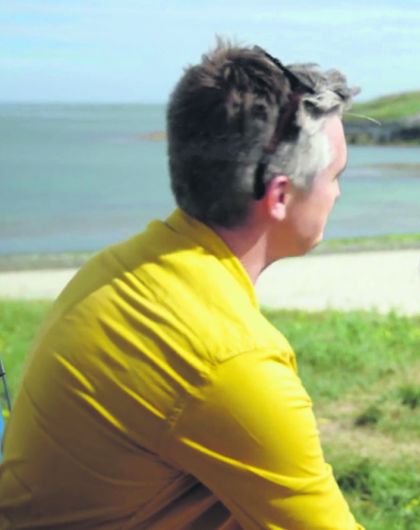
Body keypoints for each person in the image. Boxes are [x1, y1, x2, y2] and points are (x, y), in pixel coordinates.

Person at [0, 42, 364, 529]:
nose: (338, 192)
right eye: (335, 175)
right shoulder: (231, 361)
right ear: (279, 196)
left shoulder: (115, 267)